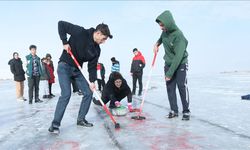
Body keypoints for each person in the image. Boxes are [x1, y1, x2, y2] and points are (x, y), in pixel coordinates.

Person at [49, 20, 113, 133]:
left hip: (77, 71)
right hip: (64, 66)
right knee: (66, 94)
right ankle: (54, 125)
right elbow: (61, 24)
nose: (104, 42)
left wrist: (92, 81)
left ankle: (81, 119)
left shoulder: (97, 49)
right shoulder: (81, 32)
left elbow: (92, 66)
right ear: (98, 33)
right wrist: (65, 42)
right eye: (103, 38)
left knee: (88, 92)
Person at [154, 10, 190, 120]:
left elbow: (178, 57)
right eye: (160, 25)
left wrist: (170, 73)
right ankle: (174, 110)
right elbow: (161, 38)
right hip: (168, 63)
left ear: (169, 23)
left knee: (181, 86)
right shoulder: (165, 31)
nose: (161, 28)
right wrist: (156, 44)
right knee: (170, 88)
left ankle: (186, 111)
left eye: (162, 25)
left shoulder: (178, 36)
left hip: (180, 64)